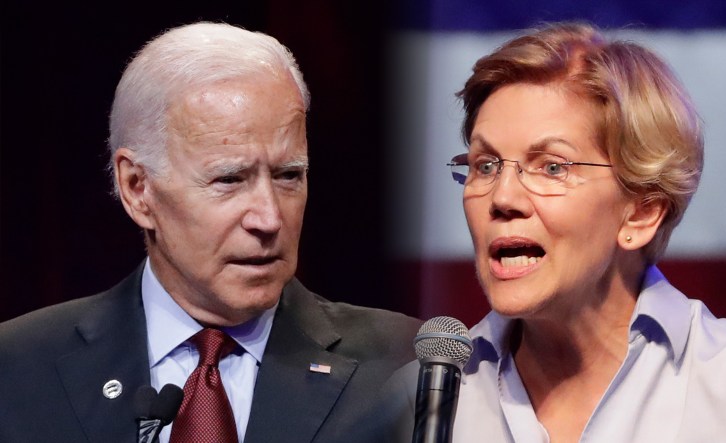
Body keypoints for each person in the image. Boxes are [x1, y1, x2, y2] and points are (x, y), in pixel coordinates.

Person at [0, 22, 421, 443]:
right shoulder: (17, 368)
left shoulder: (406, 366)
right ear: (137, 188)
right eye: (229, 180)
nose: (269, 218)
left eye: (289, 175)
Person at [382, 21, 726, 442]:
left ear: (641, 212)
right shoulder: (410, 403)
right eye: (485, 166)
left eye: (552, 167)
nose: (502, 197)